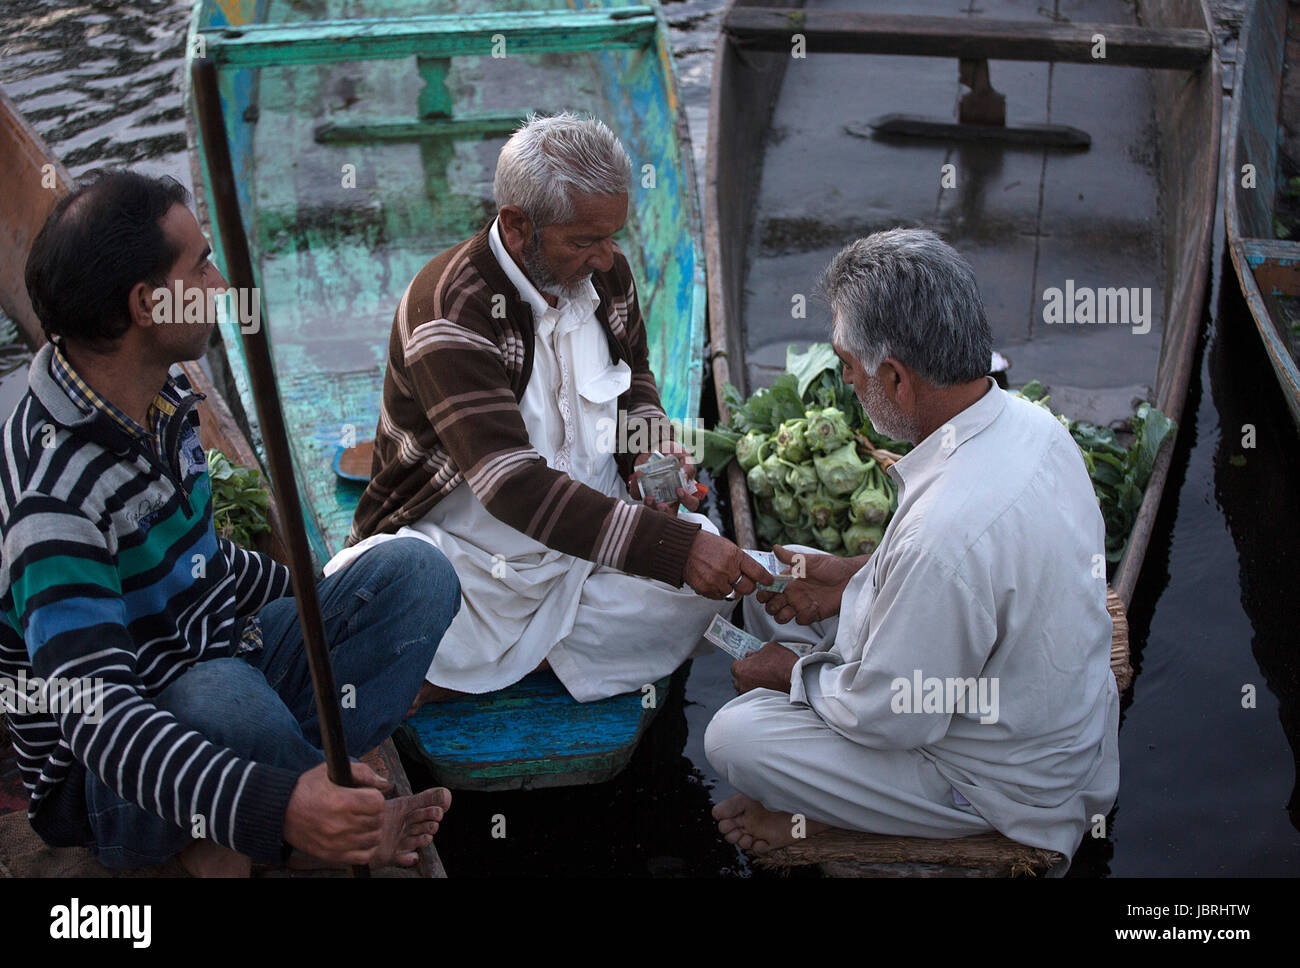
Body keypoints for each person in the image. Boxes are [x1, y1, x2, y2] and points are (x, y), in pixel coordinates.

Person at [0, 170, 460, 876]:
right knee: (218, 696)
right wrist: (281, 808)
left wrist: (318, 594)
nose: (220, 286)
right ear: (147, 305)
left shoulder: (164, 392)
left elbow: (206, 561)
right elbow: (102, 723)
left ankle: (273, 804)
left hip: (215, 659)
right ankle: (307, 816)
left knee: (414, 574)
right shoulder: (55, 501)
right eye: (202, 265)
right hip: (111, 773)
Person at [705, 229, 1120, 867]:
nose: (845, 381)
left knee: (735, 738)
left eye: (847, 365)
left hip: (1001, 781)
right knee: (775, 576)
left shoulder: (945, 536)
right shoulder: (1033, 426)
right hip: (1020, 701)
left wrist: (789, 675)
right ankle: (816, 720)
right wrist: (848, 577)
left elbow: (897, 715)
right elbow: (951, 583)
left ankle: (827, 816)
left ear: (896, 378)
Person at [335, 113, 769, 705]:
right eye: (585, 241)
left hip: (589, 546)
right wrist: (673, 548)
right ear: (516, 226)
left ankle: (461, 676)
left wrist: (649, 449)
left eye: (613, 235)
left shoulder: (607, 273)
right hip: (473, 561)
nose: (605, 257)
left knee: (705, 576)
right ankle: (504, 665)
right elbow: (513, 488)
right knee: (404, 586)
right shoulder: (449, 310)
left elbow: (636, 379)